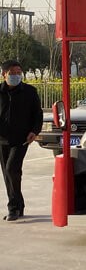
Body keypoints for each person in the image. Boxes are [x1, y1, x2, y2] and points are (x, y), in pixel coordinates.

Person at [0, 60, 42, 221]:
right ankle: (19, 204)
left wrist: (34, 131)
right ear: (4, 74)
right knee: (8, 174)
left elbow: (37, 115)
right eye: (12, 73)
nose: (16, 76)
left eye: (19, 73)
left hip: (21, 140)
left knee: (12, 169)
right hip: (2, 140)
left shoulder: (30, 92)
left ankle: (13, 208)